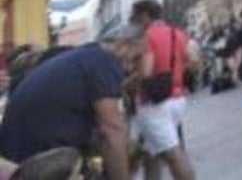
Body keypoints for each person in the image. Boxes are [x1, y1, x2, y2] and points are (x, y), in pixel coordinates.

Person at [0, 25, 143, 180]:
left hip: (18, 149)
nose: (134, 67)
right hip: (36, 158)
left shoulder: (86, 56)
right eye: (136, 58)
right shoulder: (105, 61)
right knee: (125, 145)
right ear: (123, 45)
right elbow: (111, 129)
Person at [128, 0, 196, 180]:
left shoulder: (146, 37)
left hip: (153, 103)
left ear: (144, 16)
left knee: (174, 156)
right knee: (151, 154)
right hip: (177, 98)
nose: (133, 22)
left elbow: (145, 72)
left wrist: (129, 80)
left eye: (134, 17)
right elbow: (194, 62)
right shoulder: (179, 34)